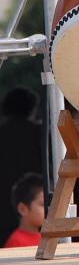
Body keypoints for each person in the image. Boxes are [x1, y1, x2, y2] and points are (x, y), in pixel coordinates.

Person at [0, 87, 42, 246]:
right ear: (32, 109)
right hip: (32, 205)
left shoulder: (2, 133)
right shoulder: (39, 134)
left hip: (3, 211)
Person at [3, 173, 44, 248]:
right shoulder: (16, 241)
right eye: (42, 205)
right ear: (23, 209)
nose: (48, 209)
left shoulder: (44, 238)